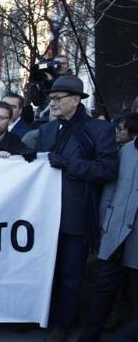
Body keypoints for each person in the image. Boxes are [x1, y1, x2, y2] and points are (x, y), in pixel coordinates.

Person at [33, 75, 118, 342]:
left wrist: (70, 164)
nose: (53, 103)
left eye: (58, 99)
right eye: (51, 98)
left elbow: (107, 169)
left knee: (70, 272)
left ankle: (62, 324)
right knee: (44, 267)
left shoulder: (98, 130)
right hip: (44, 212)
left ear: (75, 100)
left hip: (76, 213)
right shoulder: (46, 131)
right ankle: (41, 315)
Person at [77, 135, 138, 342]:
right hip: (115, 231)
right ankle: (90, 336)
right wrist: (104, 222)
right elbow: (111, 187)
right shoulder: (127, 150)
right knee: (103, 289)